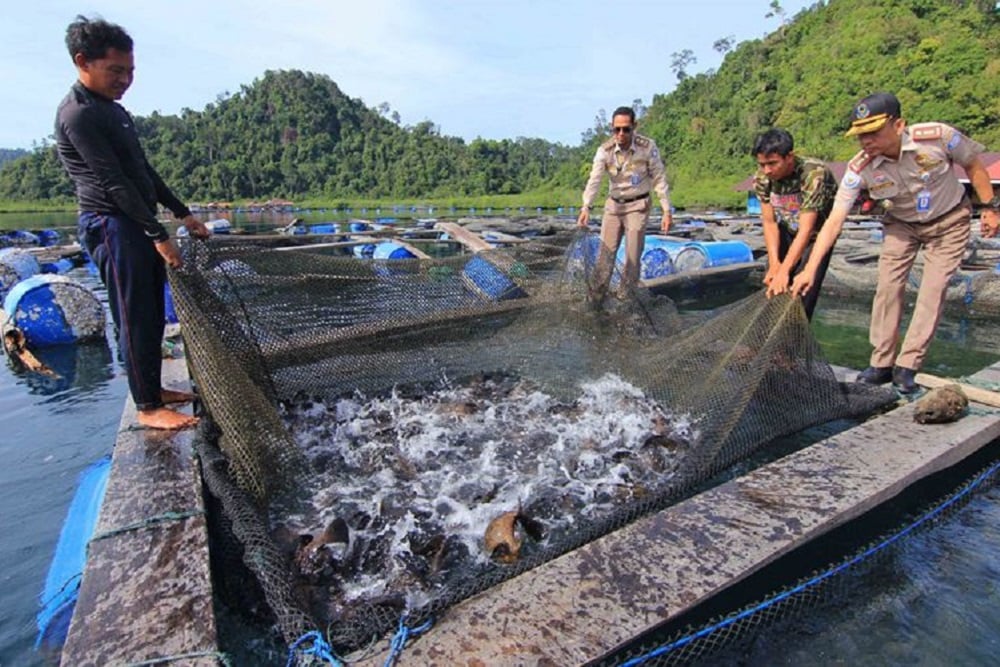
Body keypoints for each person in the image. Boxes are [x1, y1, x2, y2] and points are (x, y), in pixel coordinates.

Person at [787, 92, 1000, 393]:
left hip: (949, 220)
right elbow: (834, 221)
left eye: (873, 132)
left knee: (933, 289)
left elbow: (975, 166)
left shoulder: (939, 137)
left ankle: (908, 365)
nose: (866, 141)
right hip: (901, 224)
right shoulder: (859, 169)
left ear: (899, 125)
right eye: (860, 135)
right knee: (887, 288)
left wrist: (990, 208)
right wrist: (809, 269)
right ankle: (881, 363)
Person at [56, 16, 209, 429]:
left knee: (151, 315)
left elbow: (143, 173)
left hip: (134, 221)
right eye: (115, 71)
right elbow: (113, 184)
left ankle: (154, 390)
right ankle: (147, 407)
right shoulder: (79, 114)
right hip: (111, 224)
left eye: (130, 72)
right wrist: (158, 235)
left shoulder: (114, 112)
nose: (124, 79)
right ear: (83, 61)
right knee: (134, 315)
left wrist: (183, 213)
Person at [577, 106, 672, 296]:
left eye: (626, 129)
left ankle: (625, 300)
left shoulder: (647, 147)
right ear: (612, 128)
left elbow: (659, 178)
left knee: (632, 258)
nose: (621, 134)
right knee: (605, 257)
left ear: (634, 127)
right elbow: (594, 180)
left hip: (638, 206)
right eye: (616, 129)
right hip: (614, 206)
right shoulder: (605, 151)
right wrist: (586, 207)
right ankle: (597, 297)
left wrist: (666, 210)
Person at [751, 128, 838, 320]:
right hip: (787, 229)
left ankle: (792, 343)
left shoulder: (813, 174)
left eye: (772, 163)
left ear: (789, 157)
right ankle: (765, 340)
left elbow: (807, 229)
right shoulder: (763, 178)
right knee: (772, 285)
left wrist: (785, 271)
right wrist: (775, 265)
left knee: (801, 290)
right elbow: (769, 221)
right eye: (762, 164)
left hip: (816, 237)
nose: (767, 170)